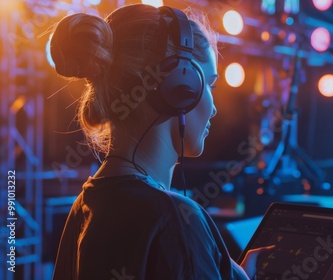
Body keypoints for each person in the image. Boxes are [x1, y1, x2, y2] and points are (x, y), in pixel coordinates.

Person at [50, 4, 269, 279]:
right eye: (209, 84)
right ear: (181, 86)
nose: (213, 108)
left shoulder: (82, 207)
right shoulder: (176, 218)